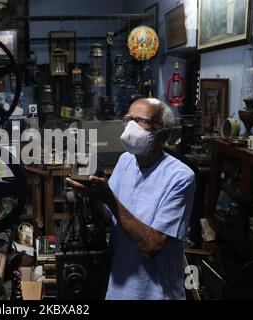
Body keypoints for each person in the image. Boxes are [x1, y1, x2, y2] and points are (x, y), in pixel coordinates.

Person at [67, 98, 195, 300]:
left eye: (142, 120)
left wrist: (108, 198)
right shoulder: (125, 161)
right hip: (119, 288)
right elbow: (110, 217)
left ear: (165, 134)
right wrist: (92, 195)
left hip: (156, 293)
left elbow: (151, 245)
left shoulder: (180, 177)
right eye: (128, 119)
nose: (131, 127)